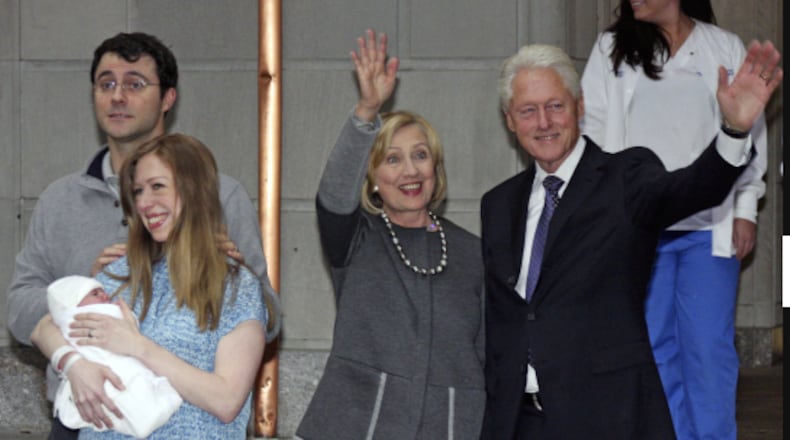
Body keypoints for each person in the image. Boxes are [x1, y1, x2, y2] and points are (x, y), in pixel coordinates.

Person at [479, 41, 781, 439]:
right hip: (519, 422)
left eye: (556, 106)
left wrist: (734, 130)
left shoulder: (626, 177)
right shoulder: (498, 204)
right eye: (528, 111)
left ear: (580, 106)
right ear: (510, 121)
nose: (544, 122)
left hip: (607, 417)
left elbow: (691, 189)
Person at [5, 32, 280, 439]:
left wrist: (216, 270)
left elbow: (263, 317)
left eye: (134, 84)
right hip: (85, 412)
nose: (118, 97)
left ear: (168, 98)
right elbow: (21, 307)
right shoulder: (60, 199)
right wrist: (85, 293)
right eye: (106, 83)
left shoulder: (225, 196)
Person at [579, 2, 767, 438]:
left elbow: (749, 129)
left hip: (709, 227)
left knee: (708, 351)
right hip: (639, 229)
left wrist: (745, 207)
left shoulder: (723, 46)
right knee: (653, 349)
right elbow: (592, 130)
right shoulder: (611, 47)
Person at [296, 29, 486, 439]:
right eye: (393, 159)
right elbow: (332, 194)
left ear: (436, 169)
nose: (411, 171)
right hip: (357, 425)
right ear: (374, 179)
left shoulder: (473, 252)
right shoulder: (355, 239)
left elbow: (487, 353)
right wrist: (367, 110)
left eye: (421, 156)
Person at [32, 133, 269, 438]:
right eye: (138, 191)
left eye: (158, 187)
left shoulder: (237, 288)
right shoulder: (119, 274)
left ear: (194, 190)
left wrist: (139, 347)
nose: (144, 203)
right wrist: (73, 364)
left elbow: (226, 401)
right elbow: (44, 327)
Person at [47, 275, 182, 438]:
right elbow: (42, 328)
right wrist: (72, 362)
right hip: (98, 375)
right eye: (95, 294)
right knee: (123, 394)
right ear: (73, 302)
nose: (105, 296)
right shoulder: (76, 318)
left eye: (103, 292)